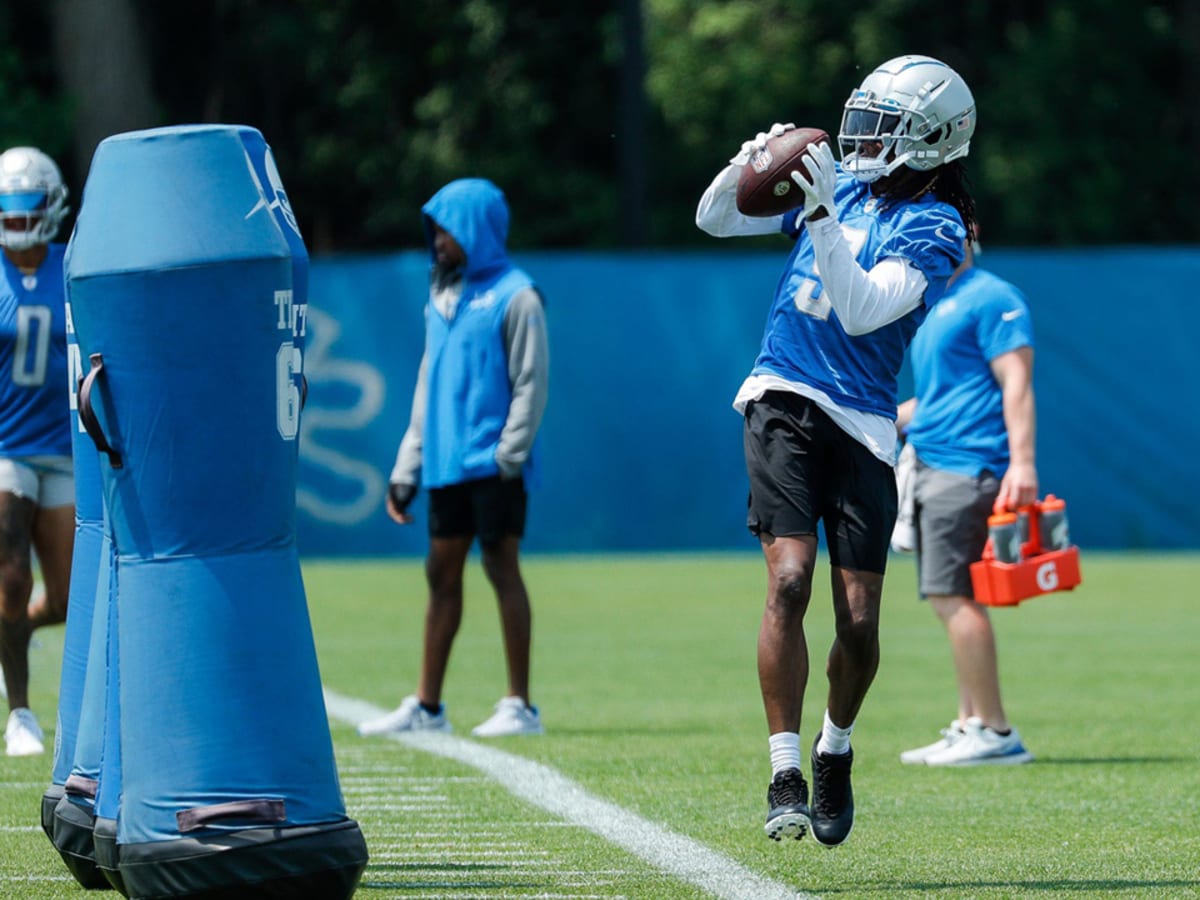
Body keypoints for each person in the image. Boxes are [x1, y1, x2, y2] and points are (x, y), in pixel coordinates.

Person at [695, 55, 978, 846]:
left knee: (857, 623)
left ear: (933, 141)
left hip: (862, 422)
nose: (864, 137)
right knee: (789, 582)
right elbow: (714, 218)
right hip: (781, 394)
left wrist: (818, 216)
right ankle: (784, 768)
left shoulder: (936, 225)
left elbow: (860, 312)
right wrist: (747, 164)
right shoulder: (843, 184)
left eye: (887, 126)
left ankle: (834, 749)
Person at [358, 177, 549, 740]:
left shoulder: (519, 295)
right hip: (444, 465)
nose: (439, 240)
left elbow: (531, 383)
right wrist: (406, 468)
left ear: (480, 228)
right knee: (440, 572)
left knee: (499, 566)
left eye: (450, 228)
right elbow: (427, 387)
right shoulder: (440, 298)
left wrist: (508, 455)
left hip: (492, 465)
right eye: (434, 229)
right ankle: (429, 706)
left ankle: (520, 705)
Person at [894, 238, 1036, 766]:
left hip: (968, 465)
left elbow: (1016, 383)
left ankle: (997, 732)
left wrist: (1022, 464)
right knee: (949, 597)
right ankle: (970, 723)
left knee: (953, 598)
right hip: (930, 463)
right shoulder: (931, 303)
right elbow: (935, 400)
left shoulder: (993, 296)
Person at [0, 146, 74, 757]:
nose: (19, 221)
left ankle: (7, 628)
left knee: (67, 598)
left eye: (29, 210)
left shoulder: (75, 267)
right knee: (11, 574)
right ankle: (20, 711)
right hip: (6, 445)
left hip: (62, 445)